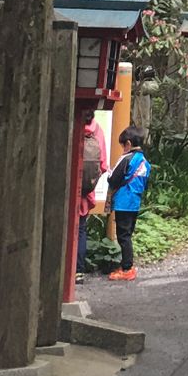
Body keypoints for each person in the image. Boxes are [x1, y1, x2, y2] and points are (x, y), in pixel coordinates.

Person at [106, 127, 151, 281]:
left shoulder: (127, 159)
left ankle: (127, 268)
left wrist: (108, 174)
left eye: (123, 145)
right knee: (128, 235)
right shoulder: (145, 162)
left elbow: (113, 179)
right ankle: (127, 265)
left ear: (128, 143)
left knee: (123, 236)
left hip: (123, 202)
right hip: (135, 202)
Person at [75, 108, 110, 279]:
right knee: (80, 229)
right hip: (85, 191)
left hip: (65, 188)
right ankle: (78, 271)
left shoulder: (71, 125)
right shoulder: (97, 131)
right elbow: (103, 165)